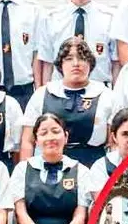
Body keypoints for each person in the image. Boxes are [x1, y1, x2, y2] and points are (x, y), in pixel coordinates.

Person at [21, 37, 116, 167]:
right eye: (69, 58)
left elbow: (114, 144)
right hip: (49, 164)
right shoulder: (42, 94)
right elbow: (28, 141)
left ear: (90, 63)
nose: (76, 63)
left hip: (94, 166)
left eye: (82, 58)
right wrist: (26, 174)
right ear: (60, 64)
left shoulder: (107, 95)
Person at [40, 0, 118, 86]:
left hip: (98, 90)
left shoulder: (110, 18)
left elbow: (116, 63)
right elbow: (47, 62)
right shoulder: (52, 18)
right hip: (61, 91)